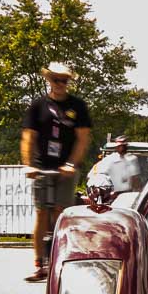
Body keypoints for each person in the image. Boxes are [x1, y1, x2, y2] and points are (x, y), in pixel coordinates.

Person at [21, 62, 92, 282]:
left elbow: (83, 139)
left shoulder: (78, 106)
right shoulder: (38, 106)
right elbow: (28, 137)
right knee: (42, 213)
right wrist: (28, 164)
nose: (60, 84)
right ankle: (38, 263)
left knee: (62, 214)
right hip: (42, 166)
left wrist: (72, 163)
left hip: (66, 169)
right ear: (49, 80)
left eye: (64, 80)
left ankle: (63, 260)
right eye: (56, 79)